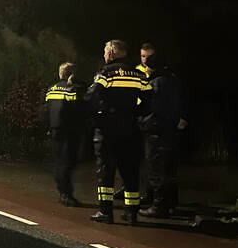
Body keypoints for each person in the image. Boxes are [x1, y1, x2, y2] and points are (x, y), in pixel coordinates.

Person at [85, 39, 152, 224]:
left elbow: (91, 96)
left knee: (106, 170)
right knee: (130, 171)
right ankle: (131, 213)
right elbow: (149, 100)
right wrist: (135, 114)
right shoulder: (138, 74)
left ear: (112, 53)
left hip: (107, 129)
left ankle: (106, 212)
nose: (104, 55)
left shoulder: (106, 73)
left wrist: (96, 115)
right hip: (130, 129)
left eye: (106, 52)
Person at [139, 52, 188, 218]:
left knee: (156, 169)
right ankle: (171, 204)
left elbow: (153, 107)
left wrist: (142, 119)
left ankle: (158, 206)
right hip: (171, 130)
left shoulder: (155, 83)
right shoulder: (173, 80)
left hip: (156, 130)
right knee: (169, 168)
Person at [44, 62, 84, 206]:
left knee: (59, 163)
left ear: (60, 73)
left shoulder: (51, 89)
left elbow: (45, 111)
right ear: (71, 74)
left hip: (55, 131)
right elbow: (78, 109)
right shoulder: (71, 89)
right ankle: (66, 194)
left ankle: (62, 192)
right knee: (68, 163)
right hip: (69, 132)